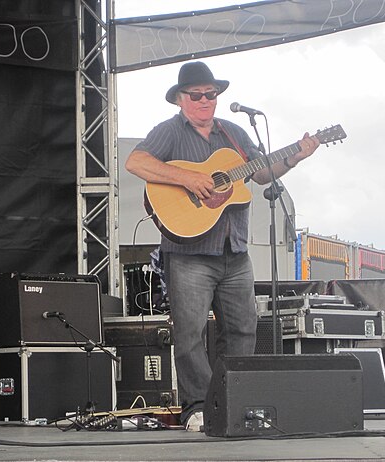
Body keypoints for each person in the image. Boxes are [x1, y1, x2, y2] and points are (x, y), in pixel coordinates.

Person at [125, 61, 320, 431]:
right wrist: (188, 177)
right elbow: (136, 162)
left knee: (244, 328)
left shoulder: (232, 134)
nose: (204, 100)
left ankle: (237, 400)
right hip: (189, 253)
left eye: (210, 94)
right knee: (190, 332)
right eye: (195, 95)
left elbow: (260, 173)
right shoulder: (168, 132)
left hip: (234, 250)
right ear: (180, 99)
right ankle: (198, 406)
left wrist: (295, 155)